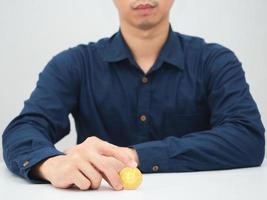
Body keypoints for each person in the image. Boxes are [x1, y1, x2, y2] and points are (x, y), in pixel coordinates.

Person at [2, 0, 265, 191]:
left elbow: (247, 137)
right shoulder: (73, 64)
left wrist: (133, 156)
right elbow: (24, 129)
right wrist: (48, 163)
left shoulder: (215, 61)